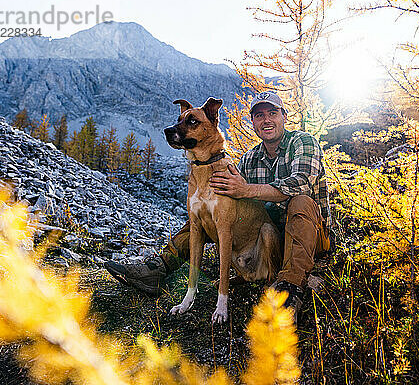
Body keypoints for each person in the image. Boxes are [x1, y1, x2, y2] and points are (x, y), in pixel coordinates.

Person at [104, 91, 330, 321]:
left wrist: (246, 190)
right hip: (265, 244)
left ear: (284, 116)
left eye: (273, 113)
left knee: (301, 202)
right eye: (259, 115)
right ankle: (160, 268)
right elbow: (233, 207)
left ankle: (290, 289)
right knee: (205, 213)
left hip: (307, 239)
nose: (267, 120)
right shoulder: (250, 159)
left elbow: (300, 183)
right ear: (253, 122)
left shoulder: (302, 142)